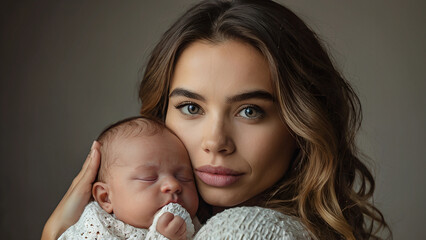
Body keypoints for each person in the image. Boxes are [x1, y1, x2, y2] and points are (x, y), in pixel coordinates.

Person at [42, 0, 391, 239]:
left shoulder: (241, 230)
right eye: (192, 108)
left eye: (250, 111)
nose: (215, 141)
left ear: (300, 124)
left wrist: (53, 234)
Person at [58, 117, 199, 239]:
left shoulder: (199, 225)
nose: (174, 184)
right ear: (105, 197)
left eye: (184, 177)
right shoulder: (97, 227)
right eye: (149, 178)